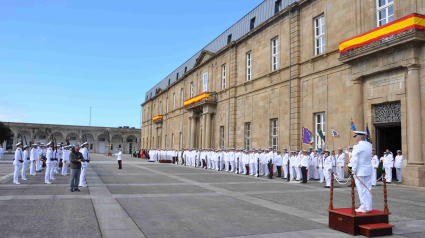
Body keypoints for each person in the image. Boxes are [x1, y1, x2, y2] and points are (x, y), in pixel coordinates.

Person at [351, 131, 373, 213]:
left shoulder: (357, 146)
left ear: (358, 138)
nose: (355, 139)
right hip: (368, 169)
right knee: (368, 188)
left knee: (361, 189)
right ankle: (368, 206)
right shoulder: (369, 145)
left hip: (360, 170)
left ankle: (363, 206)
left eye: (355, 137)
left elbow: (355, 159)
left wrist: (353, 170)